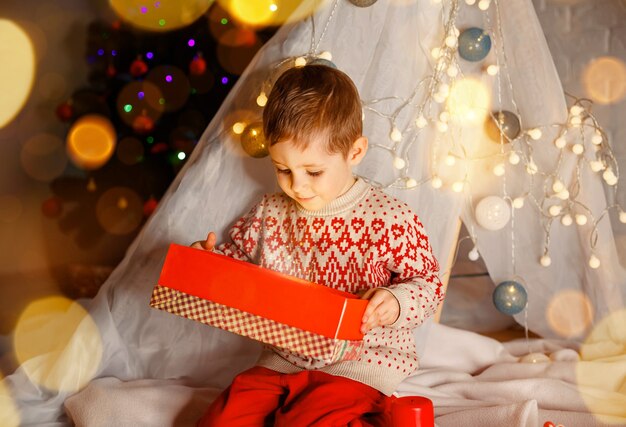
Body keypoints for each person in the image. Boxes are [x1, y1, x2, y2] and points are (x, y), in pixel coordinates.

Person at [193, 64, 443, 426]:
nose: (297, 186)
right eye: (283, 169)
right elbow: (240, 265)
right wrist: (209, 262)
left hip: (358, 364)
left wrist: (397, 301)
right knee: (221, 420)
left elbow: (429, 284)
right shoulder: (269, 212)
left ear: (354, 152)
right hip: (283, 357)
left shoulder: (390, 218)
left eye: (313, 172)